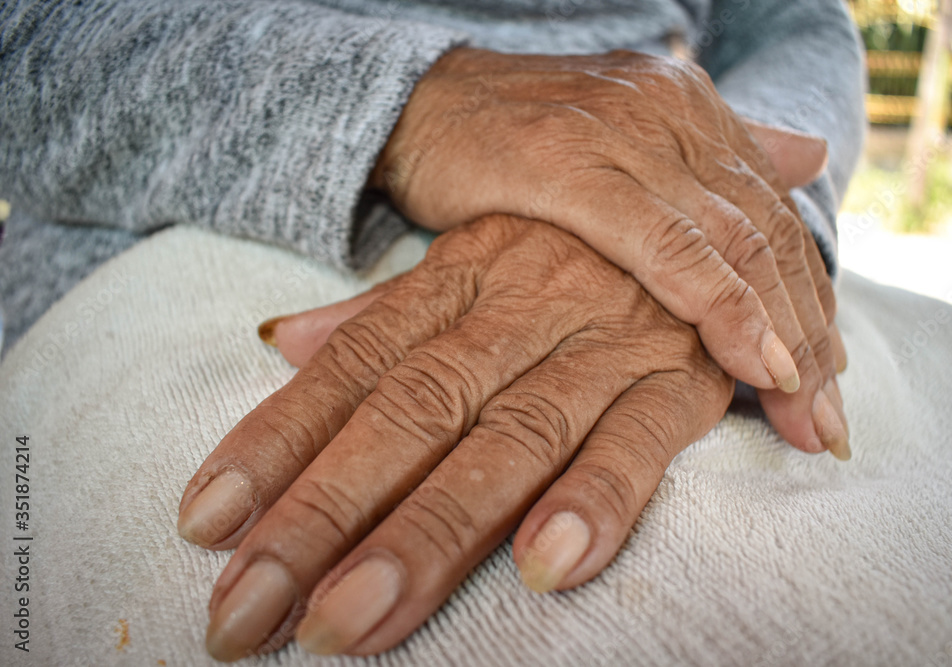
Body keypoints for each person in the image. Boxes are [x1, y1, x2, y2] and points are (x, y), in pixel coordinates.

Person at [0, 0, 864, 661]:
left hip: (661, 239)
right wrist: (406, 102)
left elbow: (795, 24)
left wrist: (707, 209)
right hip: (184, 217)